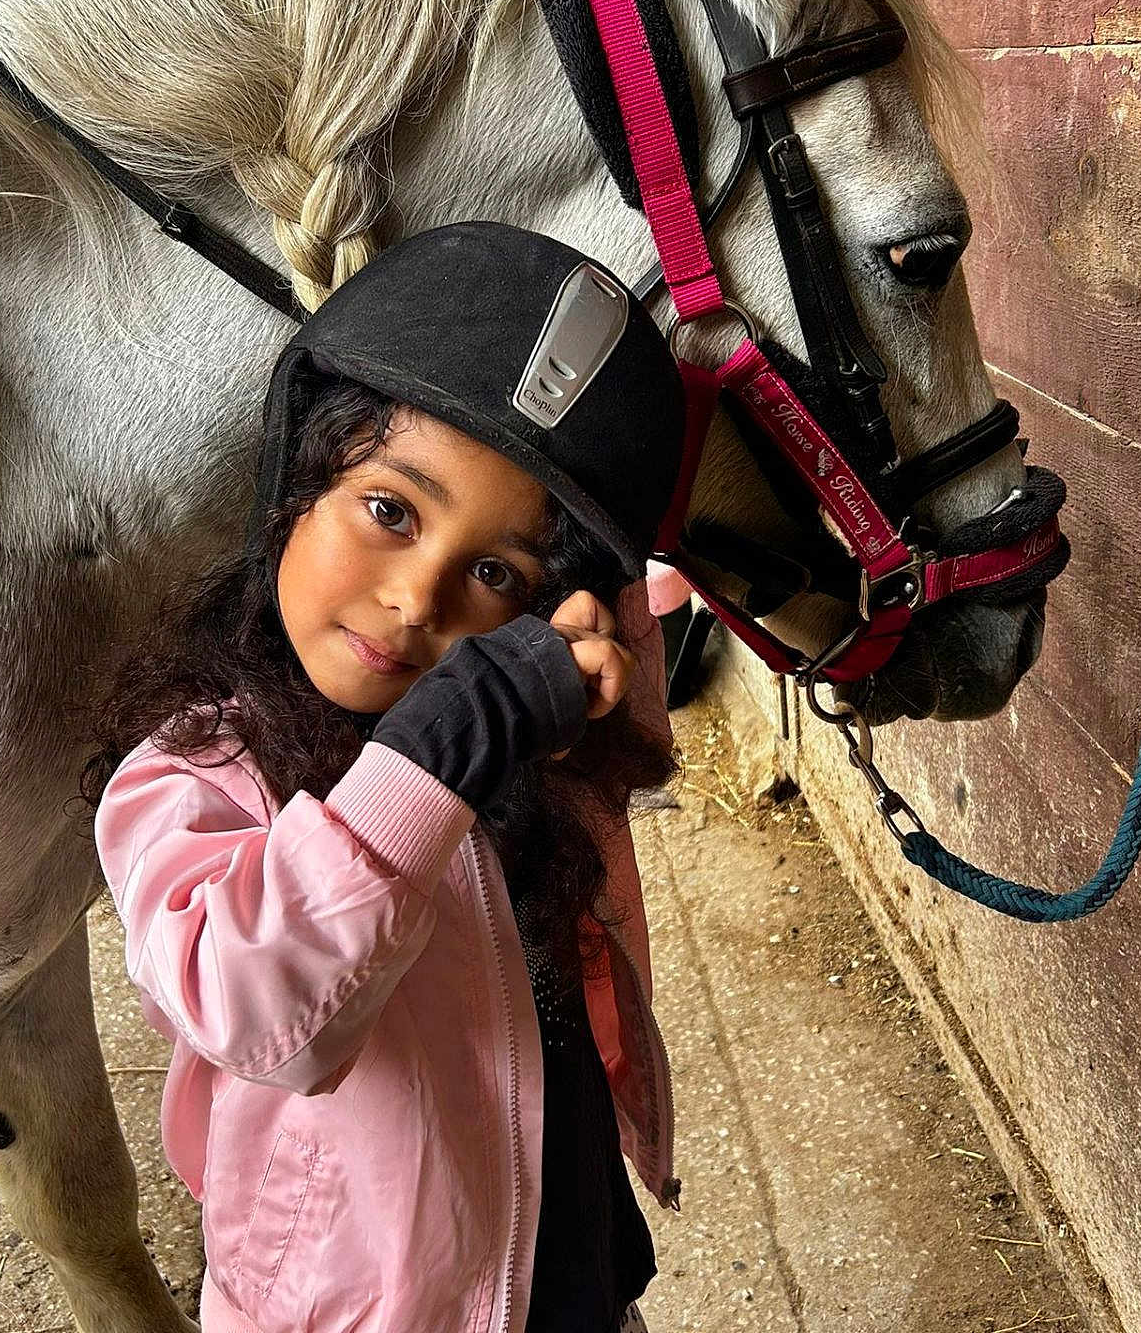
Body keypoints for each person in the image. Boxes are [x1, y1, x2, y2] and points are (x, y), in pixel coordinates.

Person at [79, 222, 688, 1333]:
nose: (418, 600)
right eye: (389, 512)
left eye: (495, 572)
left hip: (566, 1274)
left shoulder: (524, 762)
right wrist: (433, 753)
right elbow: (258, 1011)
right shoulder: (196, 772)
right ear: (298, 482)